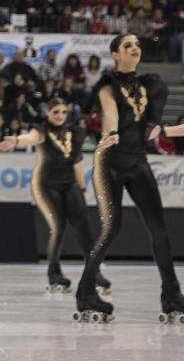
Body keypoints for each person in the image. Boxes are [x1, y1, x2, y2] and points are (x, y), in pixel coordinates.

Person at [73, 34, 183, 322]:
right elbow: (109, 111)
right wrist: (111, 134)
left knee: (159, 229)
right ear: (115, 55)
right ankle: (85, 292)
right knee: (111, 228)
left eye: (136, 44)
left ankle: (172, 295)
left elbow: (153, 127)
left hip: (138, 162)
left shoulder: (153, 84)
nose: (135, 48)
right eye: (127, 45)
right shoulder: (107, 85)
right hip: (108, 163)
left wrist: (163, 131)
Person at [0, 98, 111, 293]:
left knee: (83, 226)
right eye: (55, 112)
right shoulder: (41, 130)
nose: (59, 116)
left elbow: (77, 161)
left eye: (63, 112)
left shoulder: (74, 132)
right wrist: (16, 140)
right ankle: (54, 273)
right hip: (46, 186)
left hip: (70, 184)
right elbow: (32, 138)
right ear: (47, 113)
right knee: (58, 228)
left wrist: (82, 189)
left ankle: (94, 271)